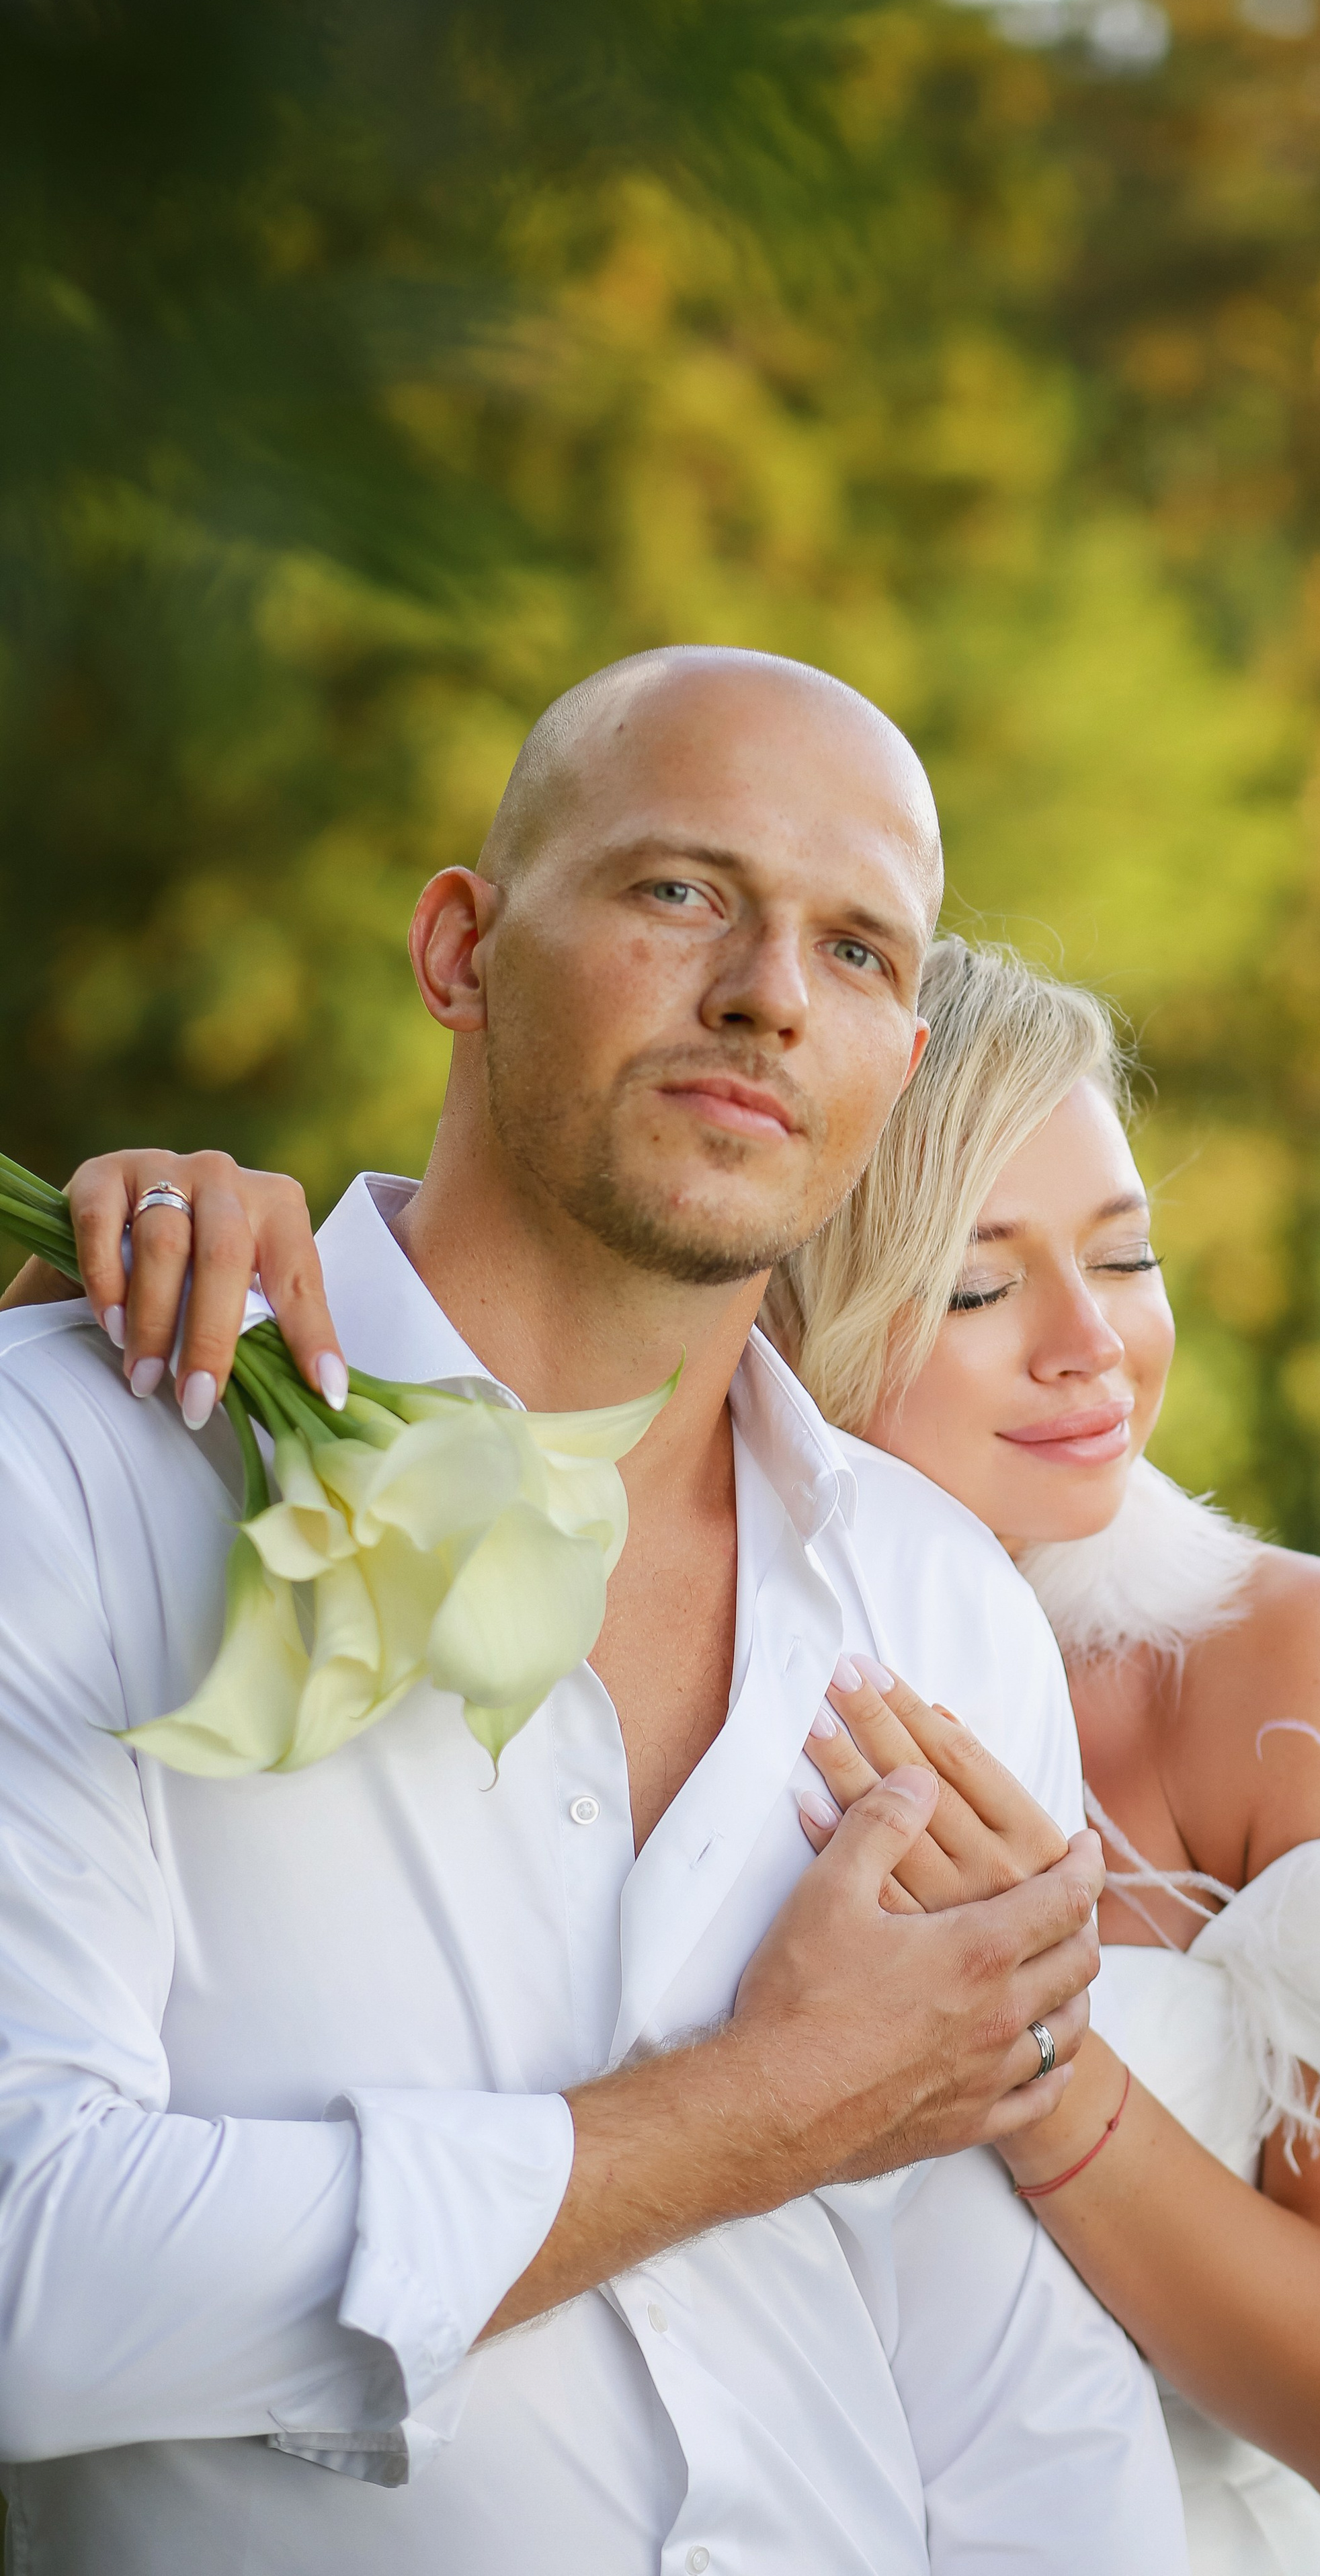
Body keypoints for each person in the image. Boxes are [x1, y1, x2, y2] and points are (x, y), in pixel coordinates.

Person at [48, 936, 1320, 2573]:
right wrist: (176, 1264)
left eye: (1122, 1259)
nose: (1087, 1347)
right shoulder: (585, 1603)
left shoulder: (1288, 1668)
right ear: (779, 1286)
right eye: (976, 1285)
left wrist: (1024, 2058)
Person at [0, 653, 1187, 2576]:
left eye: (863, 952)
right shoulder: (76, 1470)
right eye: (679, 892)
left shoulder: (944, 1610)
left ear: (898, 1068)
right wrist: (762, 2109)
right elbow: (27, 2280)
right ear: (463, 948)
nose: (769, 996)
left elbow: (1016, 2404)